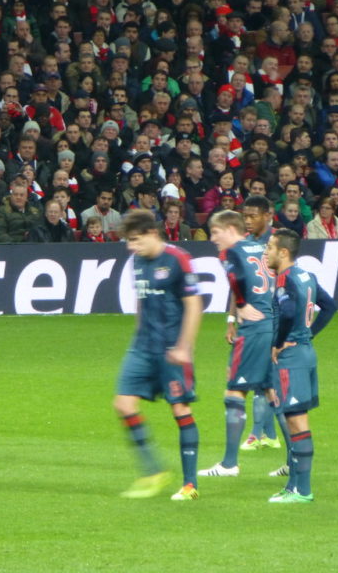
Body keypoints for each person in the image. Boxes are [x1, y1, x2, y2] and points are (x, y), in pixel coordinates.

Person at [114, 209, 203, 501]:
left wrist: (184, 347)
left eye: (136, 240)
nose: (131, 247)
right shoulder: (137, 261)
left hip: (171, 350)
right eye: (129, 241)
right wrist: (137, 335)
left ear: (153, 234)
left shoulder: (178, 259)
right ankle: (153, 471)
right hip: (142, 346)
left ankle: (190, 485)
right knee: (124, 404)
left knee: (179, 410)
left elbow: (193, 305)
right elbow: (142, 301)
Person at [199, 210, 276, 478]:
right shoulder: (263, 245)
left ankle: (229, 464)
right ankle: (294, 462)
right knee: (273, 394)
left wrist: (241, 306)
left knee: (234, 393)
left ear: (231, 228)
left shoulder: (231, 253)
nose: (212, 238)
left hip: (253, 330)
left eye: (215, 232)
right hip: (273, 325)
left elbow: (235, 279)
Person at [264, 229, 337, 503]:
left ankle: (302, 490)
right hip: (306, 353)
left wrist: (278, 342)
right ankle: (294, 486)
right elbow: (330, 307)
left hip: (291, 358)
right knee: (296, 420)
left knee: (296, 422)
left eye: (270, 247)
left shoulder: (285, 279)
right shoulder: (308, 276)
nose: (266, 252)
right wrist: (309, 334)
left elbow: (288, 313)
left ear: (284, 252)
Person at [238, 195, 282, 451]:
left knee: (263, 378)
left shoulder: (279, 242)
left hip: (274, 318)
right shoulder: (244, 245)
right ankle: (270, 435)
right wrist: (233, 318)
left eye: (253, 215)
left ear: (268, 215)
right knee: (265, 379)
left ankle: (257, 434)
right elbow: (239, 286)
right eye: (245, 215)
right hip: (254, 320)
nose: (248, 220)